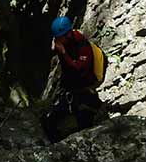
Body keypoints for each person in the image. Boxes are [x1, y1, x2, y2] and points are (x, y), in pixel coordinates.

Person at [41, 16, 102, 144]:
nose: (59, 40)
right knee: (48, 120)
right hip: (71, 89)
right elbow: (67, 69)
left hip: (83, 90)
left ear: (68, 34)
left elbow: (79, 69)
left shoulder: (82, 45)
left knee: (84, 123)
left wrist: (63, 53)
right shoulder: (64, 43)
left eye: (60, 37)